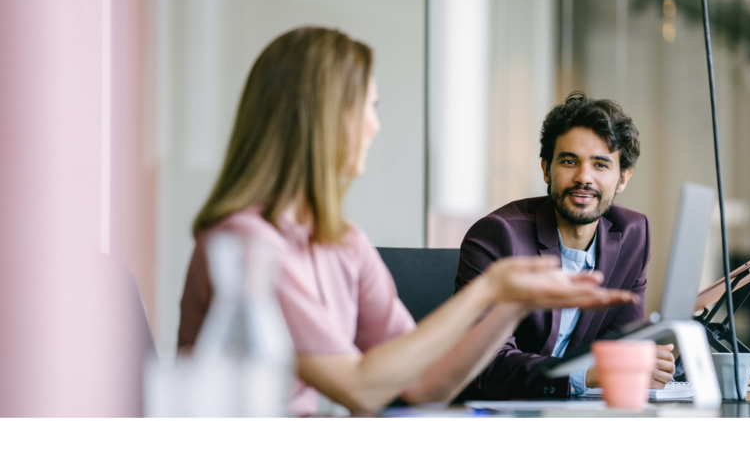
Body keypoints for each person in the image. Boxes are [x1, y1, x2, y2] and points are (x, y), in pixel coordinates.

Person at [176, 28, 635, 417]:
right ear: (321, 118)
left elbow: (425, 387)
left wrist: (509, 306)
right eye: (368, 106)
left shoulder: (343, 242)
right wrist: (489, 291)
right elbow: (359, 388)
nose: (375, 126)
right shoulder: (246, 244)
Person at [455, 92, 676, 400]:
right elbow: (483, 364)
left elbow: (621, 343)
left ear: (623, 177)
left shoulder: (633, 234)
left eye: (600, 165)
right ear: (547, 169)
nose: (583, 178)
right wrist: (590, 375)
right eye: (570, 161)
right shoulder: (498, 235)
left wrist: (644, 361)